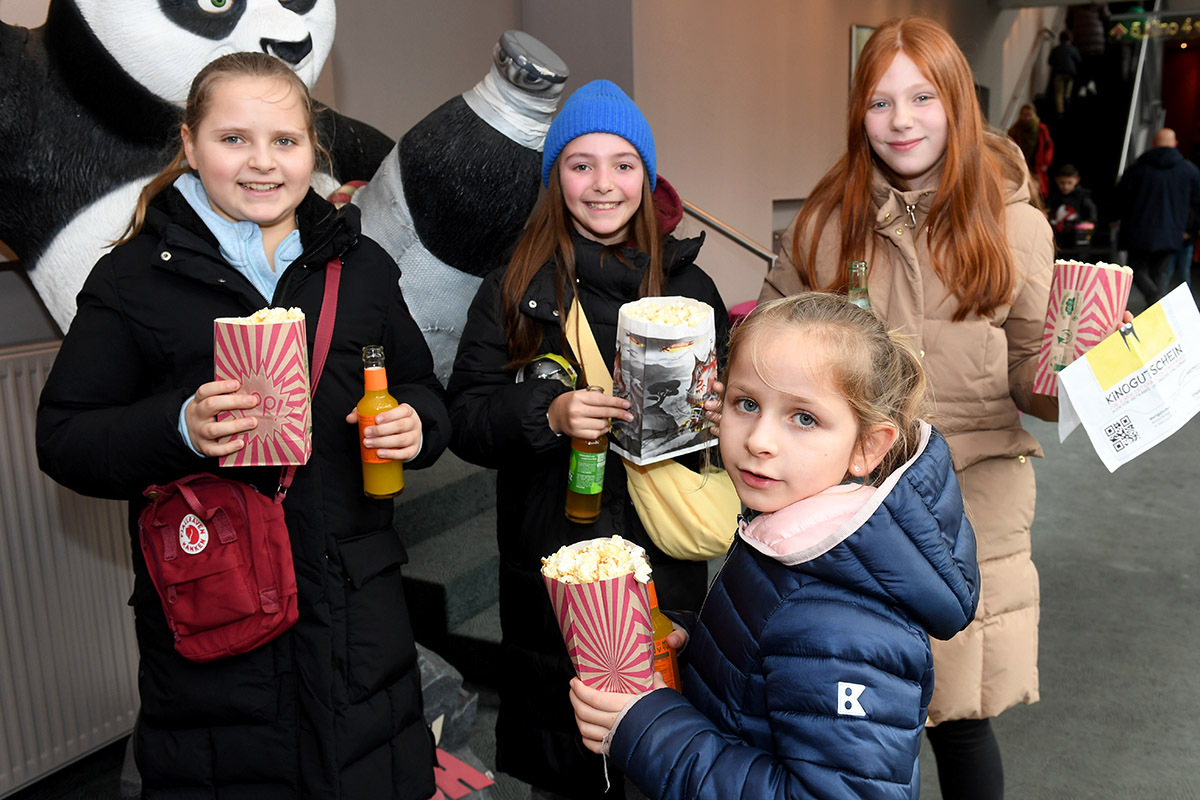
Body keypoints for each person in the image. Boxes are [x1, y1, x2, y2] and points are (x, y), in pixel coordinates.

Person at [36, 52, 449, 799]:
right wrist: (181, 426)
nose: (262, 163)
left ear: (313, 152)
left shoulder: (360, 268)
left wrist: (417, 425)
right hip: (217, 623)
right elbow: (65, 437)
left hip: (357, 618)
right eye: (233, 140)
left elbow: (423, 388)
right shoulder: (133, 279)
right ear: (189, 145)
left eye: (285, 142)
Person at [759, 17, 1057, 800]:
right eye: (880, 102)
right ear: (858, 114)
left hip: (972, 510)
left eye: (922, 97)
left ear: (957, 104)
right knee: (849, 722)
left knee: (962, 718)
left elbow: (1032, 371)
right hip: (843, 510)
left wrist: (1080, 374)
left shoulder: (1016, 226)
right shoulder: (824, 226)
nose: (901, 120)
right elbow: (769, 347)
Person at [568, 292, 980, 799]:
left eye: (804, 418)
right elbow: (775, 668)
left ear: (866, 447)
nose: (760, 439)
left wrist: (646, 728)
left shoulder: (846, 626)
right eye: (746, 404)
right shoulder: (792, 533)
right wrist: (700, 645)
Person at [446, 79, 729, 800]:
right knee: (570, 766)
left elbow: (732, 433)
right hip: (556, 569)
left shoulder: (691, 288)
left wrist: (728, 409)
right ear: (554, 178)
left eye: (622, 164)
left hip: (665, 554)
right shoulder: (516, 287)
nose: (603, 184)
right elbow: (465, 418)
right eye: (580, 164)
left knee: (664, 760)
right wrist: (546, 414)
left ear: (648, 176)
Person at [1117, 127, 1200, 306]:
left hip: (1138, 231)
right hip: (1172, 232)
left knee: (1136, 268)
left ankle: (1155, 300)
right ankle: (1158, 307)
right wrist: (1190, 229)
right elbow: (1196, 204)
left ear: (1153, 144)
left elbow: (1122, 199)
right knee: (1160, 272)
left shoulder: (1136, 169)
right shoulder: (1189, 171)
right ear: (1175, 144)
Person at [1047, 163, 1099, 249]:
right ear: (1057, 180)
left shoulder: (1084, 198)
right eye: (1062, 183)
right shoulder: (1053, 199)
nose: (1065, 186)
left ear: (1077, 180)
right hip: (1058, 245)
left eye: (1069, 183)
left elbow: (1092, 222)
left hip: (1078, 246)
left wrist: (1075, 226)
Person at [1008, 103, 1055, 199]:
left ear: (1034, 115)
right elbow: (1010, 143)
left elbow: (1048, 145)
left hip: (1037, 160)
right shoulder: (1015, 128)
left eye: (1029, 115)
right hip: (1020, 160)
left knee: (1038, 184)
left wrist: (1046, 161)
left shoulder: (1041, 128)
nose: (1027, 118)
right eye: (1024, 115)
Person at [1048, 30, 1082, 117]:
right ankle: (1067, 95)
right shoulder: (1073, 49)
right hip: (1070, 72)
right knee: (1070, 82)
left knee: (1058, 93)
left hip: (1059, 72)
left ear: (1060, 39)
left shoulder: (1055, 49)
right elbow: (1078, 60)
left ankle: (1060, 111)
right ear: (1070, 40)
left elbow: (1050, 62)